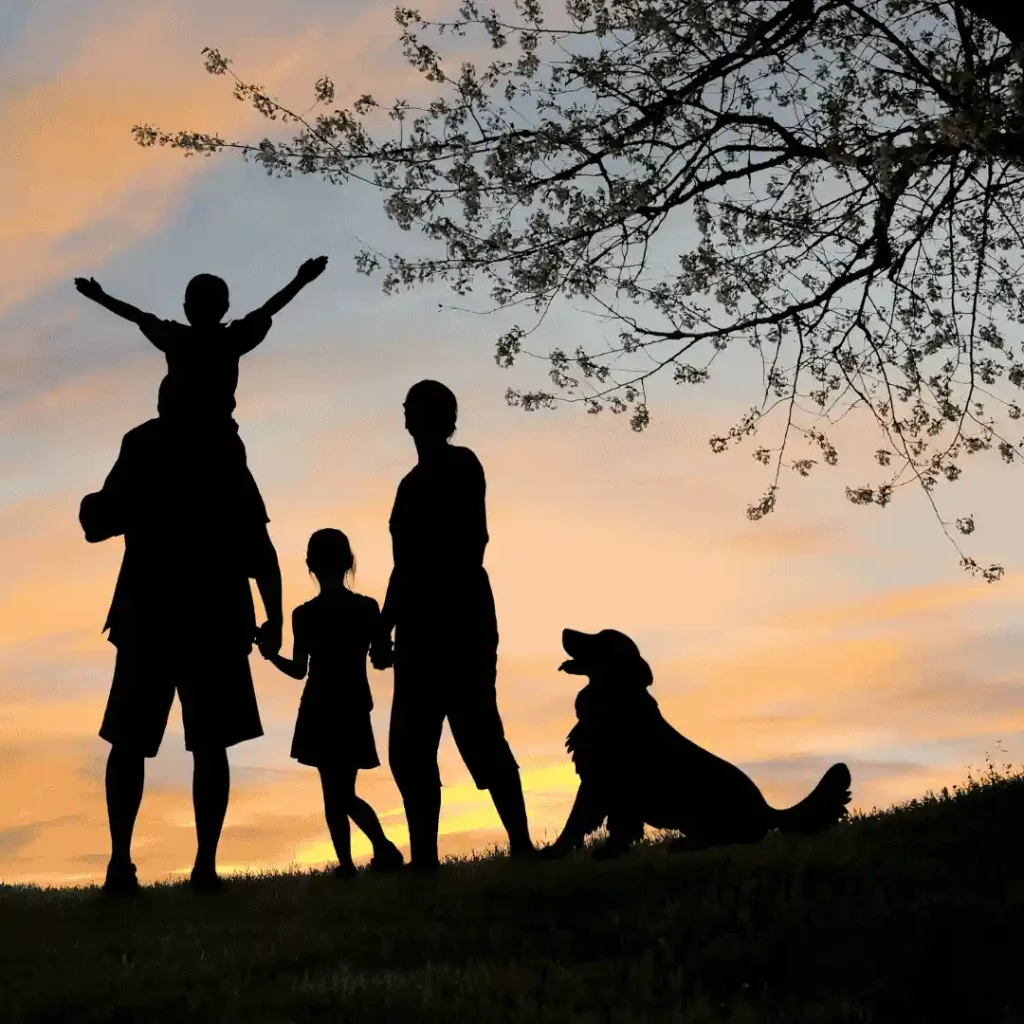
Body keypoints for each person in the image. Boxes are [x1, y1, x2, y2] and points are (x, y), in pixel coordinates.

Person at [80, 404, 285, 897]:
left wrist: (96, 507)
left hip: (155, 614)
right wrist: (273, 615)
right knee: (200, 745)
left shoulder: (149, 443)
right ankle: (198, 866)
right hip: (206, 615)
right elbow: (258, 542)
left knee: (135, 742)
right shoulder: (218, 445)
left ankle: (127, 864)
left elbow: (99, 520)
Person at [370, 380, 534, 871]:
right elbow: (402, 564)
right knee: (410, 748)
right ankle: (425, 857)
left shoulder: (462, 464)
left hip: (460, 620)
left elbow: (468, 542)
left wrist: (404, 610)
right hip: (420, 629)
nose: (407, 416)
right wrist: (386, 625)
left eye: (414, 408)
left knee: (479, 732)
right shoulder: (408, 484)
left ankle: (521, 843)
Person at [73, 257, 329, 523]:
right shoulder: (196, 337)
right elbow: (138, 316)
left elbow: (267, 310)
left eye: (205, 301)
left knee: (138, 443)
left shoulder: (215, 338)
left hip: (209, 433)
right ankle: (110, 511)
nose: (201, 308)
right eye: (199, 301)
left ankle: (110, 510)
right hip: (180, 430)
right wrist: (99, 297)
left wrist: (301, 280)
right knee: (135, 442)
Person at [259, 529, 404, 877]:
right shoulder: (366, 608)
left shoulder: (304, 615)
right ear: (348, 562)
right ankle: (363, 858)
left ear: (310, 565)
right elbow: (383, 655)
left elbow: (298, 670)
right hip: (353, 705)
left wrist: (269, 656)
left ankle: (365, 856)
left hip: (319, 707)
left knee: (335, 793)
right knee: (343, 792)